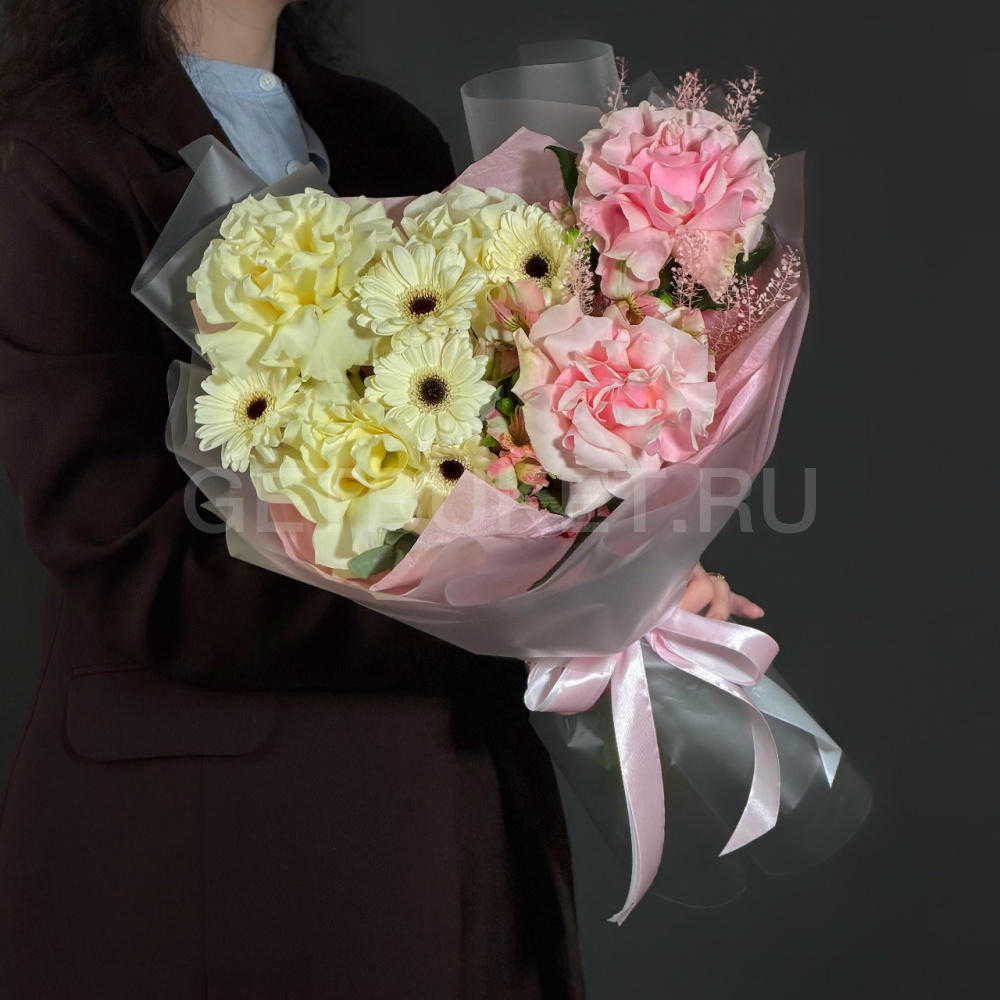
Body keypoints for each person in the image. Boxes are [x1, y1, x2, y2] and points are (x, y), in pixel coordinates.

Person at [0, 1, 762, 996]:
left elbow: (499, 453)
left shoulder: (385, 133)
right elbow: (145, 566)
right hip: (214, 856)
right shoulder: (52, 161)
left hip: (453, 813)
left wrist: (618, 558)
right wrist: (547, 602)